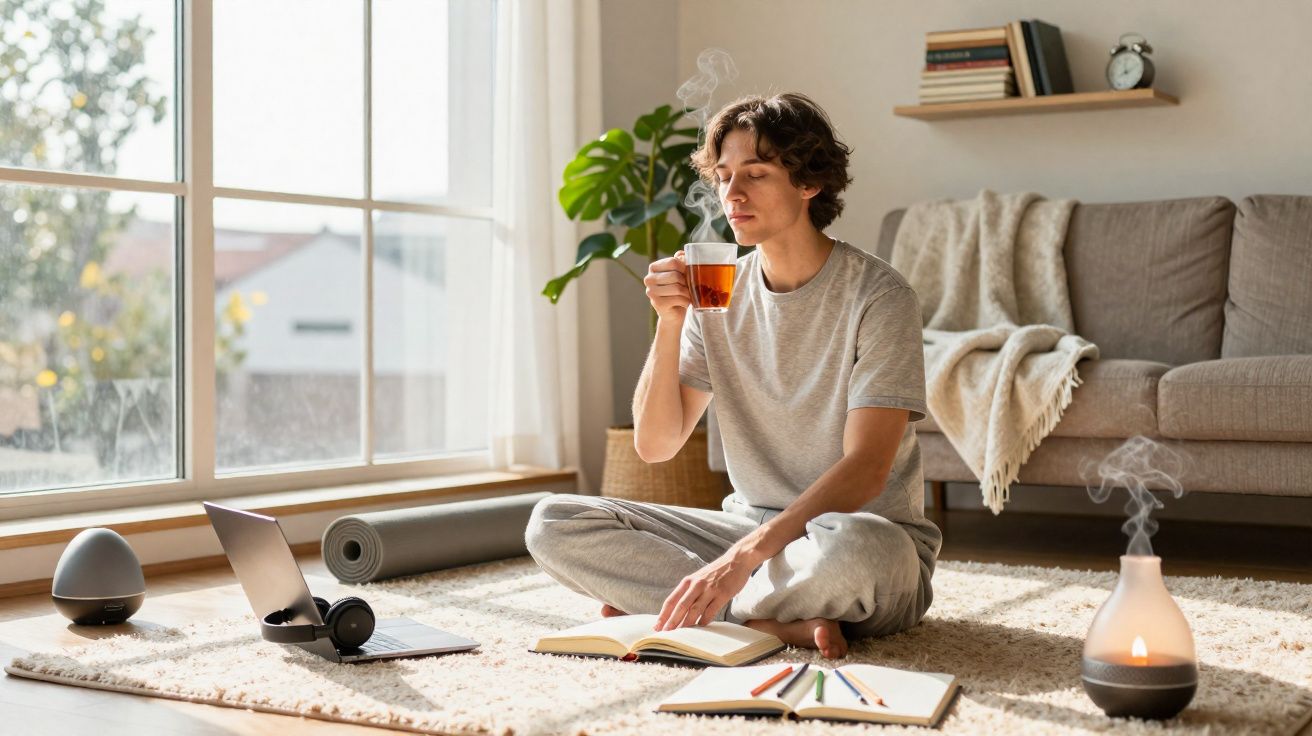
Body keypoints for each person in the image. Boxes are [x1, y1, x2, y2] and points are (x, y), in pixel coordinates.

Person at [526, 92, 940, 658]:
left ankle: (694, 604)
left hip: (856, 536)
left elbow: (867, 471)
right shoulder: (716, 294)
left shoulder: (880, 296)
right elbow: (654, 445)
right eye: (722, 176)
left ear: (809, 183)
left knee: (858, 553)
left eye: (756, 173)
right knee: (553, 521)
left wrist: (738, 562)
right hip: (747, 531)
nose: (731, 194)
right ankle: (762, 620)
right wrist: (670, 324)